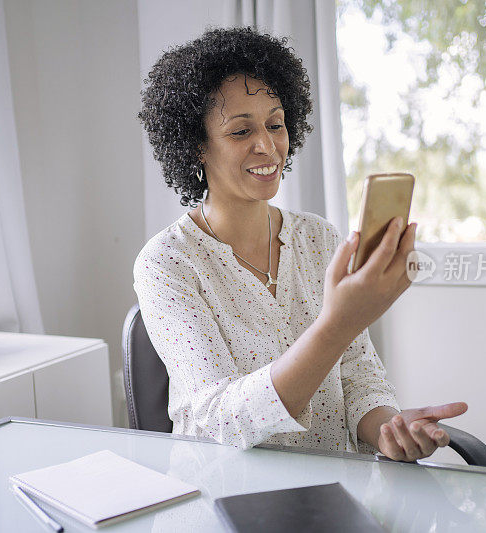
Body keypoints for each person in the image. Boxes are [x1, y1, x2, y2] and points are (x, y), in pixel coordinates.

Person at [135, 27, 467, 461]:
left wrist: (388, 429)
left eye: (275, 124)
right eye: (240, 132)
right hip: (224, 501)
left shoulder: (319, 238)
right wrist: (336, 325)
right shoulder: (167, 263)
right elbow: (220, 421)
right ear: (196, 145)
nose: (267, 145)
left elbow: (358, 377)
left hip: (331, 493)